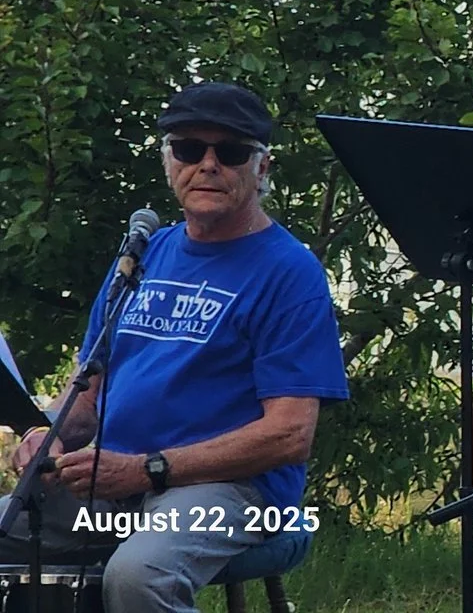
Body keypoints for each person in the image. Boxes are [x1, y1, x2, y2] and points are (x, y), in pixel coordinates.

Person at [2, 82, 351, 613]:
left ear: (262, 168)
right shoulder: (143, 255)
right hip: (112, 487)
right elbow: (86, 399)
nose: (207, 164)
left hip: (237, 495)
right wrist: (44, 437)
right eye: (189, 148)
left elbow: (289, 435)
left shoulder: (290, 271)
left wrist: (148, 469)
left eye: (230, 152)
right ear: (169, 162)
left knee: (139, 575)